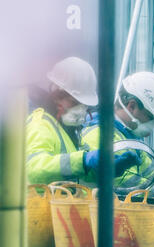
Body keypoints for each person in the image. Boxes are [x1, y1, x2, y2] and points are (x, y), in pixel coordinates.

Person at [26, 57, 140, 185]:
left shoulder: (68, 130)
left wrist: (104, 170)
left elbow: (75, 173)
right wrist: (84, 160)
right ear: (56, 96)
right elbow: (34, 169)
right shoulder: (41, 124)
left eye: (84, 105)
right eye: (74, 102)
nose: (81, 110)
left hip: (62, 203)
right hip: (39, 204)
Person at [80, 71, 154, 197]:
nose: (151, 124)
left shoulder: (129, 137)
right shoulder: (99, 135)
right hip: (96, 214)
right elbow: (129, 185)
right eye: (149, 116)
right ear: (131, 106)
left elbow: (151, 177)